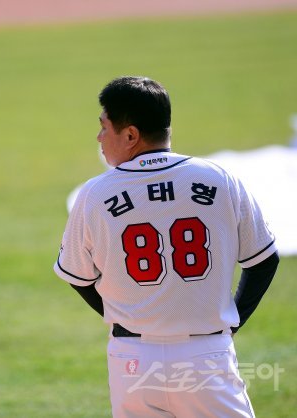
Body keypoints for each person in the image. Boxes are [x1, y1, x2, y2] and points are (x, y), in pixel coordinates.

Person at [53, 76, 279, 417]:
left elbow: (78, 277)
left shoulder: (95, 195)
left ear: (130, 135)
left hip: (133, 361)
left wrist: (125, 316)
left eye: (104, 127)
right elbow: (263, 259)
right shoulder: (219, 179)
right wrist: (234, 321)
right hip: (206, 355)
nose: (99, 137)